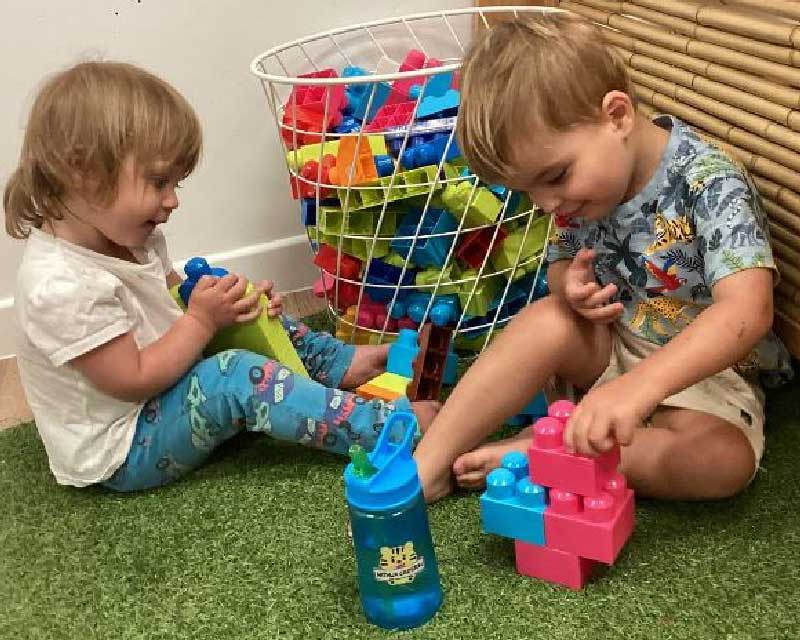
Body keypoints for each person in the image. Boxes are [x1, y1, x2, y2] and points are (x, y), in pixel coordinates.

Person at [4, 61, 439, 492]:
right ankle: (380, 428)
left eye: (176, 183)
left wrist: (235, 307)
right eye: (159, 182)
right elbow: (132, 379)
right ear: (81, 172)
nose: (172, 201)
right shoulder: (61, 286)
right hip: (125, 444)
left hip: (164, 385)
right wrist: (201, 321)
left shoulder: (133, 238)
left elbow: (175, 300)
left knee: (241, 306)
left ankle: (344, 364)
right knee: (233, 374)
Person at [413, 12, 793, 502]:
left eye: (553, 178)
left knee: (721, 463)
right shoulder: (581, 191)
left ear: (616, 116)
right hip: (612, 345)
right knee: (546, 320)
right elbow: (560, 264)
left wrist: (640, 389)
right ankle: (430, 463)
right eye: (528, 191)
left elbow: (748, 309)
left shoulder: (710, 182)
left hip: (706, 377)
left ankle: (543, 453)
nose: (547, 203)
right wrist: (568, 288)